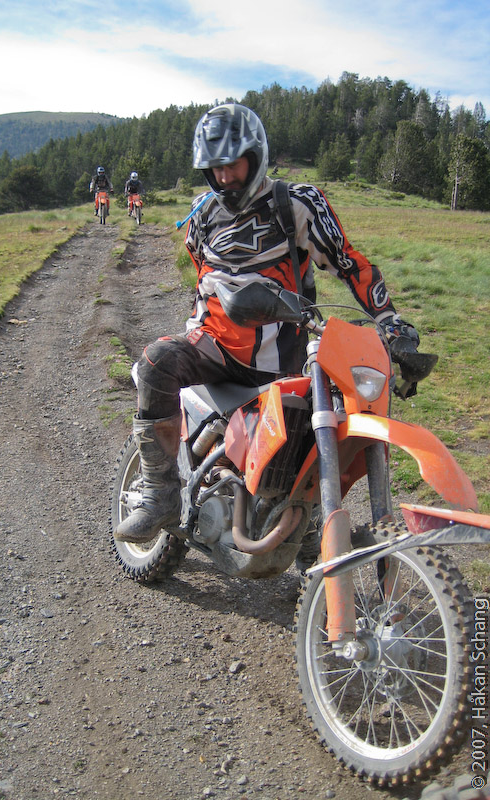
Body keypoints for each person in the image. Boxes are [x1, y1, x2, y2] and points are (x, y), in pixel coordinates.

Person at [114, 103, 419, 561]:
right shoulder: (201, 215)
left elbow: (349, 263)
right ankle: (160, 492)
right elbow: (204, 274)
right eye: (214, 169)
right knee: (155, 360)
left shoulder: (296, 204)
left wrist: (390, 320)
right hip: (214, 347)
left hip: (285, 361)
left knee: (322, 430)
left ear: (255, 156)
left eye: (233, 164)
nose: (225, 178)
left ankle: (307, 522)